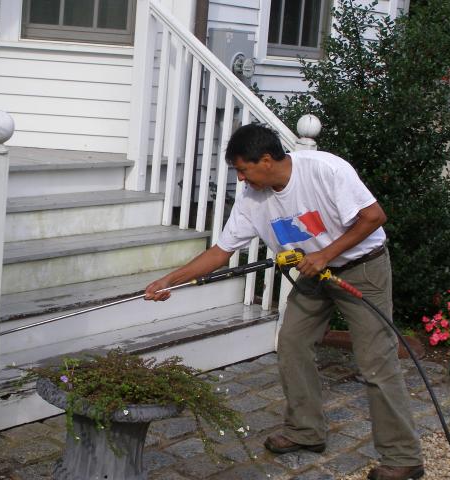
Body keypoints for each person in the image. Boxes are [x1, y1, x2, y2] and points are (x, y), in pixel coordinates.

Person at [144, 124, 423, 480]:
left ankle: (403, 458)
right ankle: (306, 431)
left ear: (265, 160)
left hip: (361, 269)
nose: (242, 179)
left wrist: (325, 255)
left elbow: (374, 217)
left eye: (244, 170)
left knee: (376, 362)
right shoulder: (252, 200)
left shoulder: (325, 170)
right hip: (313, 275)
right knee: (291, 343)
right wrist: (170, 280)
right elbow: (221, 251)